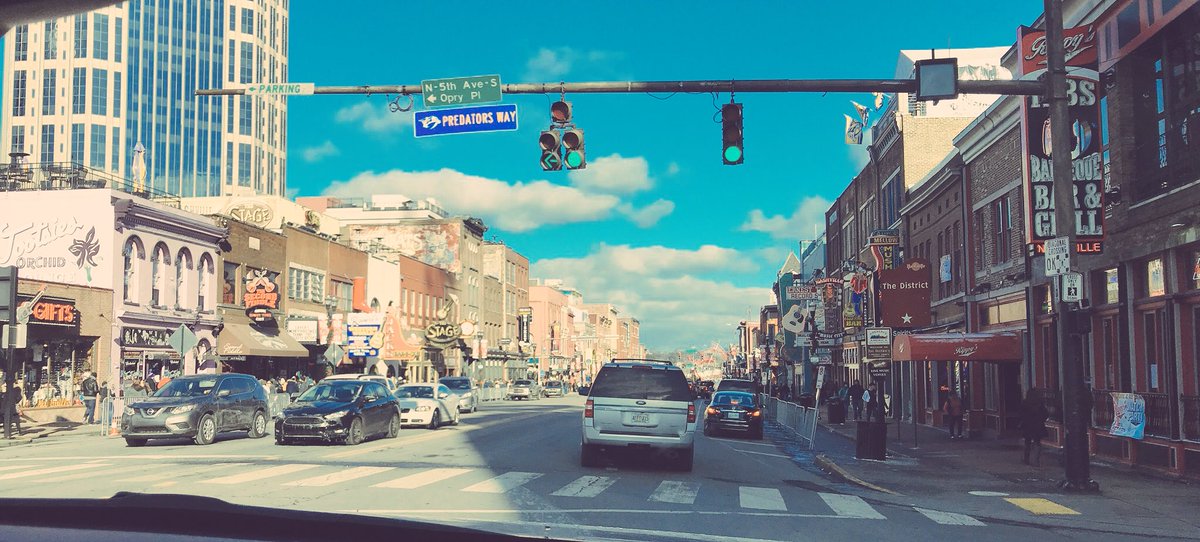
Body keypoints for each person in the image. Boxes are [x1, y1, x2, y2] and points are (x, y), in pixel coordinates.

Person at [1019, 391, 1049, 466]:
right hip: (1037, 425)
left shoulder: (1025, 403)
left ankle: (1026, 459)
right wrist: (1040, 420)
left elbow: (1021, 414)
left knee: (1027, 442)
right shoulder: (1039, 404)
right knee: (1037, 442)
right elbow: (1045, 414)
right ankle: (1036, 461)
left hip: (1027, 425)